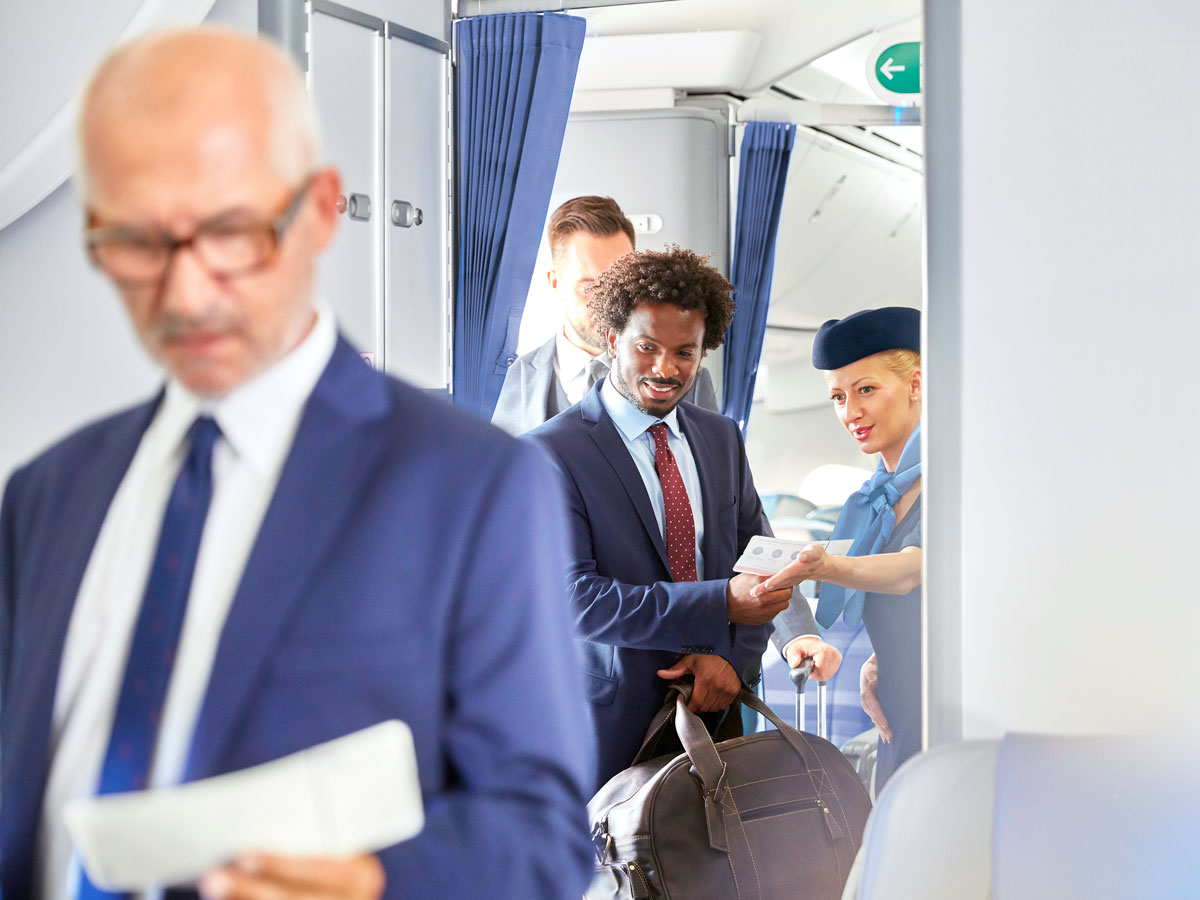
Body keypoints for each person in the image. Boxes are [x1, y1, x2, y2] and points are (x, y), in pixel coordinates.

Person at [0, 27, 594, 900]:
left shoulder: (473, 486)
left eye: (231, 233)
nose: (186, 292)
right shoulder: (47, 495)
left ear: (318, 210)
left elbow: (542, 840)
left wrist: (371, 884)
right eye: (135, 243)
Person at [527, 246, 841, 789]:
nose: (665, 369)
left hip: (719, 709)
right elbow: (574, 598)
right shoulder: (552, 453)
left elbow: (757, 556)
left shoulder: (719, 437)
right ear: (612, 341)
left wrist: (725, 659)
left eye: (685, 352)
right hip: (610, 725)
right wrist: (719, 605)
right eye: (646, 347)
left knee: (725, 866)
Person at [764, 306, 922, 791]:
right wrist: (881, 661)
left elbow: (912, 571)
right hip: (898, 710)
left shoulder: (954, 474)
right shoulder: (882, 495)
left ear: (917, 384)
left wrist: (829, 566)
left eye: (866, 390)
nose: (850, 413)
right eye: (838, 396)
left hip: (948, 709)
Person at [491, 196, 718, 435]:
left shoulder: (686, 379)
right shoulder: (505, 386)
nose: (606, 303)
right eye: (589, 287)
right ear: (555, 283)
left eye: (619, 282)